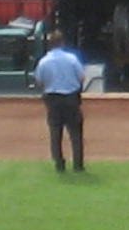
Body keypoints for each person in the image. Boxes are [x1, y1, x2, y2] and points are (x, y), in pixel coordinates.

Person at [34, 31, 88, 172]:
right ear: (62, 43)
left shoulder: (44, 61)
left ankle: (59, 163)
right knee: (76, 133)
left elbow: (39, 81)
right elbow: (82, 77)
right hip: (71, 98)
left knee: (55, 133)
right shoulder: (71, 59)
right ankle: (78, 165)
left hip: (53, 99)